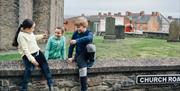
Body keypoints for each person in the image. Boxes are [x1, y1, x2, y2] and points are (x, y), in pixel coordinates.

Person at [12, 19, 53, 91]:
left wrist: (42, 36)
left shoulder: (29, 32)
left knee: (45, 66)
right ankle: (24, 88)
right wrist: (32, 60)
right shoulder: (21, 36)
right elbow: (25, 50)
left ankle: (50, 84)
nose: (33, 29)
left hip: (37, 52)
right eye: (33, 28)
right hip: (27, 55)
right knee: (29, 69)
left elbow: (33, 37)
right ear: (27, 28)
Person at [67, 16, 95, 91]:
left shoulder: (89, 33)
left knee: (91, 46)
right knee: (83, 69)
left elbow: (89, 38)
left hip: (88, 54)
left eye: (79, 27)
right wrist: (69, 56)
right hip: (79, 55)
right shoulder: (75, 33)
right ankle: (83, 88)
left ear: (84, 26)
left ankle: (91, 61)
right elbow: (71, 46)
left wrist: (77, 41)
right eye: (76, 27)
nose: (77, 29)